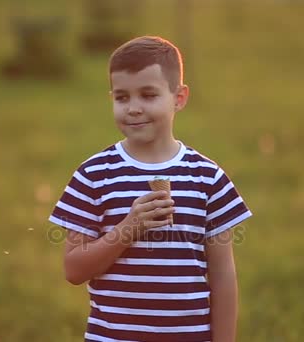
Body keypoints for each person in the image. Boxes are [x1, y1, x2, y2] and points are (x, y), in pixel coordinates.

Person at [49, 36, 252, 342]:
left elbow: (223, 276)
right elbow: (74, 270)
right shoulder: (93, 176)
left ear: (179, 98)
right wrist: (128, 228)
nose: (133, 108)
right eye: (122, 98)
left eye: (147, 95)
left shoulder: (207, 179)